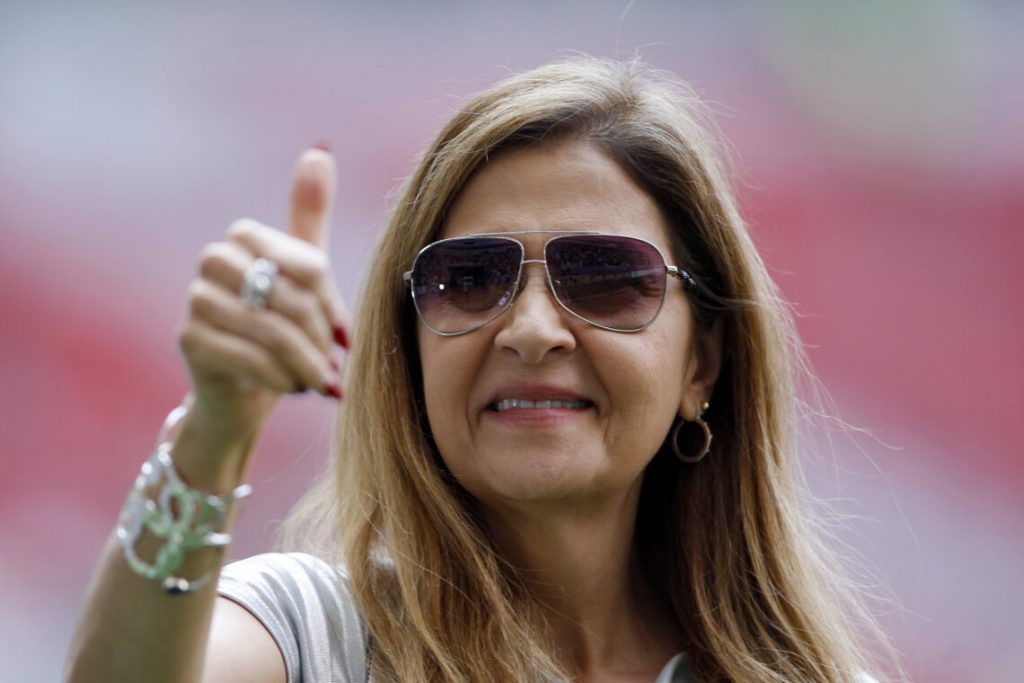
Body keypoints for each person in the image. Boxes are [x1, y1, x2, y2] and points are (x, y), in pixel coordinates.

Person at [66, 57, 894, 682]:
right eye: (469, 279)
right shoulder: (312, 634)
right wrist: (213, 432)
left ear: (701, 364)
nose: (531, 331)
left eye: (606, 276)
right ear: (411, 351)